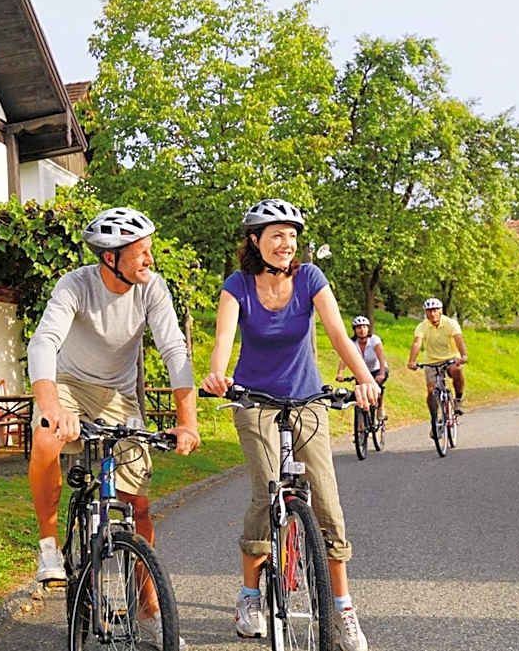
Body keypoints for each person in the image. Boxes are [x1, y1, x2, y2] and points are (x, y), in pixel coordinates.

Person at [201, 198, 379, 651]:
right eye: (276, 235)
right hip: (254, 401)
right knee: (266, 492)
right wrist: (218, 375)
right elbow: (223, 339)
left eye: (292, 236)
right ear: (255, 240)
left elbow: (337, 333)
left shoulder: (310, 278)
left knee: (327, 501)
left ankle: (343, 609)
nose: (286, 243)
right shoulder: (237, 286)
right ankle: (249, 597)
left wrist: (364, 379)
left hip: (307, 400)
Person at [27, 206, 200, 649]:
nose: (150, 260)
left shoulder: (152, 288)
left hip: (120, 396)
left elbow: (174, 348)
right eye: (141, 252)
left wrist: (187, 420)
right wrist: (52, 408)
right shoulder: (76, 285)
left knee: (137, 507)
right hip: (68, 385)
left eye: (149, 250)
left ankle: (148, 606)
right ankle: (49, 545)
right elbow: (44, 342)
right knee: (45, 435)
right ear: (110, 258)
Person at [406, 297, 469, 419]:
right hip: (431, 361)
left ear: (441, 310)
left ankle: (458, 399)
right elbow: (417, 343)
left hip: (450, 357)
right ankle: (434, 420)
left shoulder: (450, 323)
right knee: (431, 391)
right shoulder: (422, 326)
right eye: (429, 310)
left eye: (435, 310)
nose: (432, 313)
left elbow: (458, 339)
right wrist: (411, 361)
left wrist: (463, 355)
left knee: (456, 370)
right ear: (425, 312)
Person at [336, 315, 389, 422]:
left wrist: (382, 373)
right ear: (354, 330)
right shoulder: (351, 343)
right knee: (360, 392)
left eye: (364, 327)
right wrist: (340, 373)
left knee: (377, 388)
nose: (362, 330)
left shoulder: (374, 340)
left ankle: (380, 408)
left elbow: (381, 358)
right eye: (359, 327)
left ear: (368, 328)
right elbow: (344, 359)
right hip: (361, 372)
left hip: (377, 369)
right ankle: (361, 423)